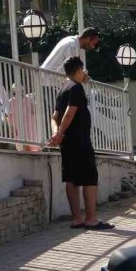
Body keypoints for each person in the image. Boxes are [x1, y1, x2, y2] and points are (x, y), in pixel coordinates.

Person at [48, 56, 114, 230]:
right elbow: (70, 113)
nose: (85, 73)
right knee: (89, 178)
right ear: (78, 70)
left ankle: (76, 218)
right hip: (79, 140)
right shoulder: (76, 88)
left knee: (71, 178)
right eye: (83, 70)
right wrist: (59, 133)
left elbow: (55, 116)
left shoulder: (62, 89)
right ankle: (91, 219)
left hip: (67, 142)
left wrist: (56, 134)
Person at [8, 83, 41, 152]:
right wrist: (11, 127)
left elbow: (34, 112)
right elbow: (9, 116)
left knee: (34, 147)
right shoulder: (11, 102)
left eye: (21, 90)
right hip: (19, 127)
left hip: (30, 127)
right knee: (24, 147)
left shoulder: (29, 99)